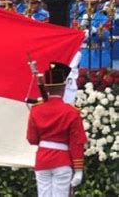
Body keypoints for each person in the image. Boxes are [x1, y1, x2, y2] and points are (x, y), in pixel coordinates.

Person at [27, 62, 87, 197]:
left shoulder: (36, 109)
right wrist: (78, 169)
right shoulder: (71, 112)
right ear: (64, 87)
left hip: (42, 159)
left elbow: (32, 139)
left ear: (46, 88)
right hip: (62, 160)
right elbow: (76, 142)